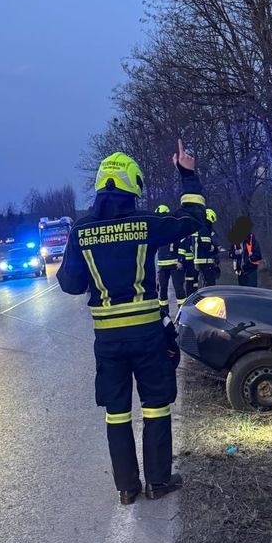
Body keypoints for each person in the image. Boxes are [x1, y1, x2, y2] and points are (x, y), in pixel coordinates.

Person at [57, 141, 202, 505]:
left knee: (117, 413)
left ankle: (127, 488)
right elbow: (192, 220)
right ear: (131, 184)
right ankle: (158, 481)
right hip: (147, 336)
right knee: (156, 406)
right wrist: (187, 175)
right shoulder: (145, 223)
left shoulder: (81, 230)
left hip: (108, 342)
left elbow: (70, 283)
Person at [155, 205, 187, 316]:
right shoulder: (158, 232)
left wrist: (181, 260)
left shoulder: (174, 228)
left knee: (179, 289)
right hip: (162, 267)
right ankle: (164, 315)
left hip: (175, 264)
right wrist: (157, 273)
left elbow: (183, 245)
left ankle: (182, 314)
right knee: (162, 291)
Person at [195, 207, 221, 287]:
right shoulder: (205, 229)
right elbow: (207, 246)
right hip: (204, 261)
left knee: (202, 283)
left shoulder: (199, 227)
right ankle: (208, 298)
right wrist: (215, 249)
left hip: (199, 260)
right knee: (210, 283)